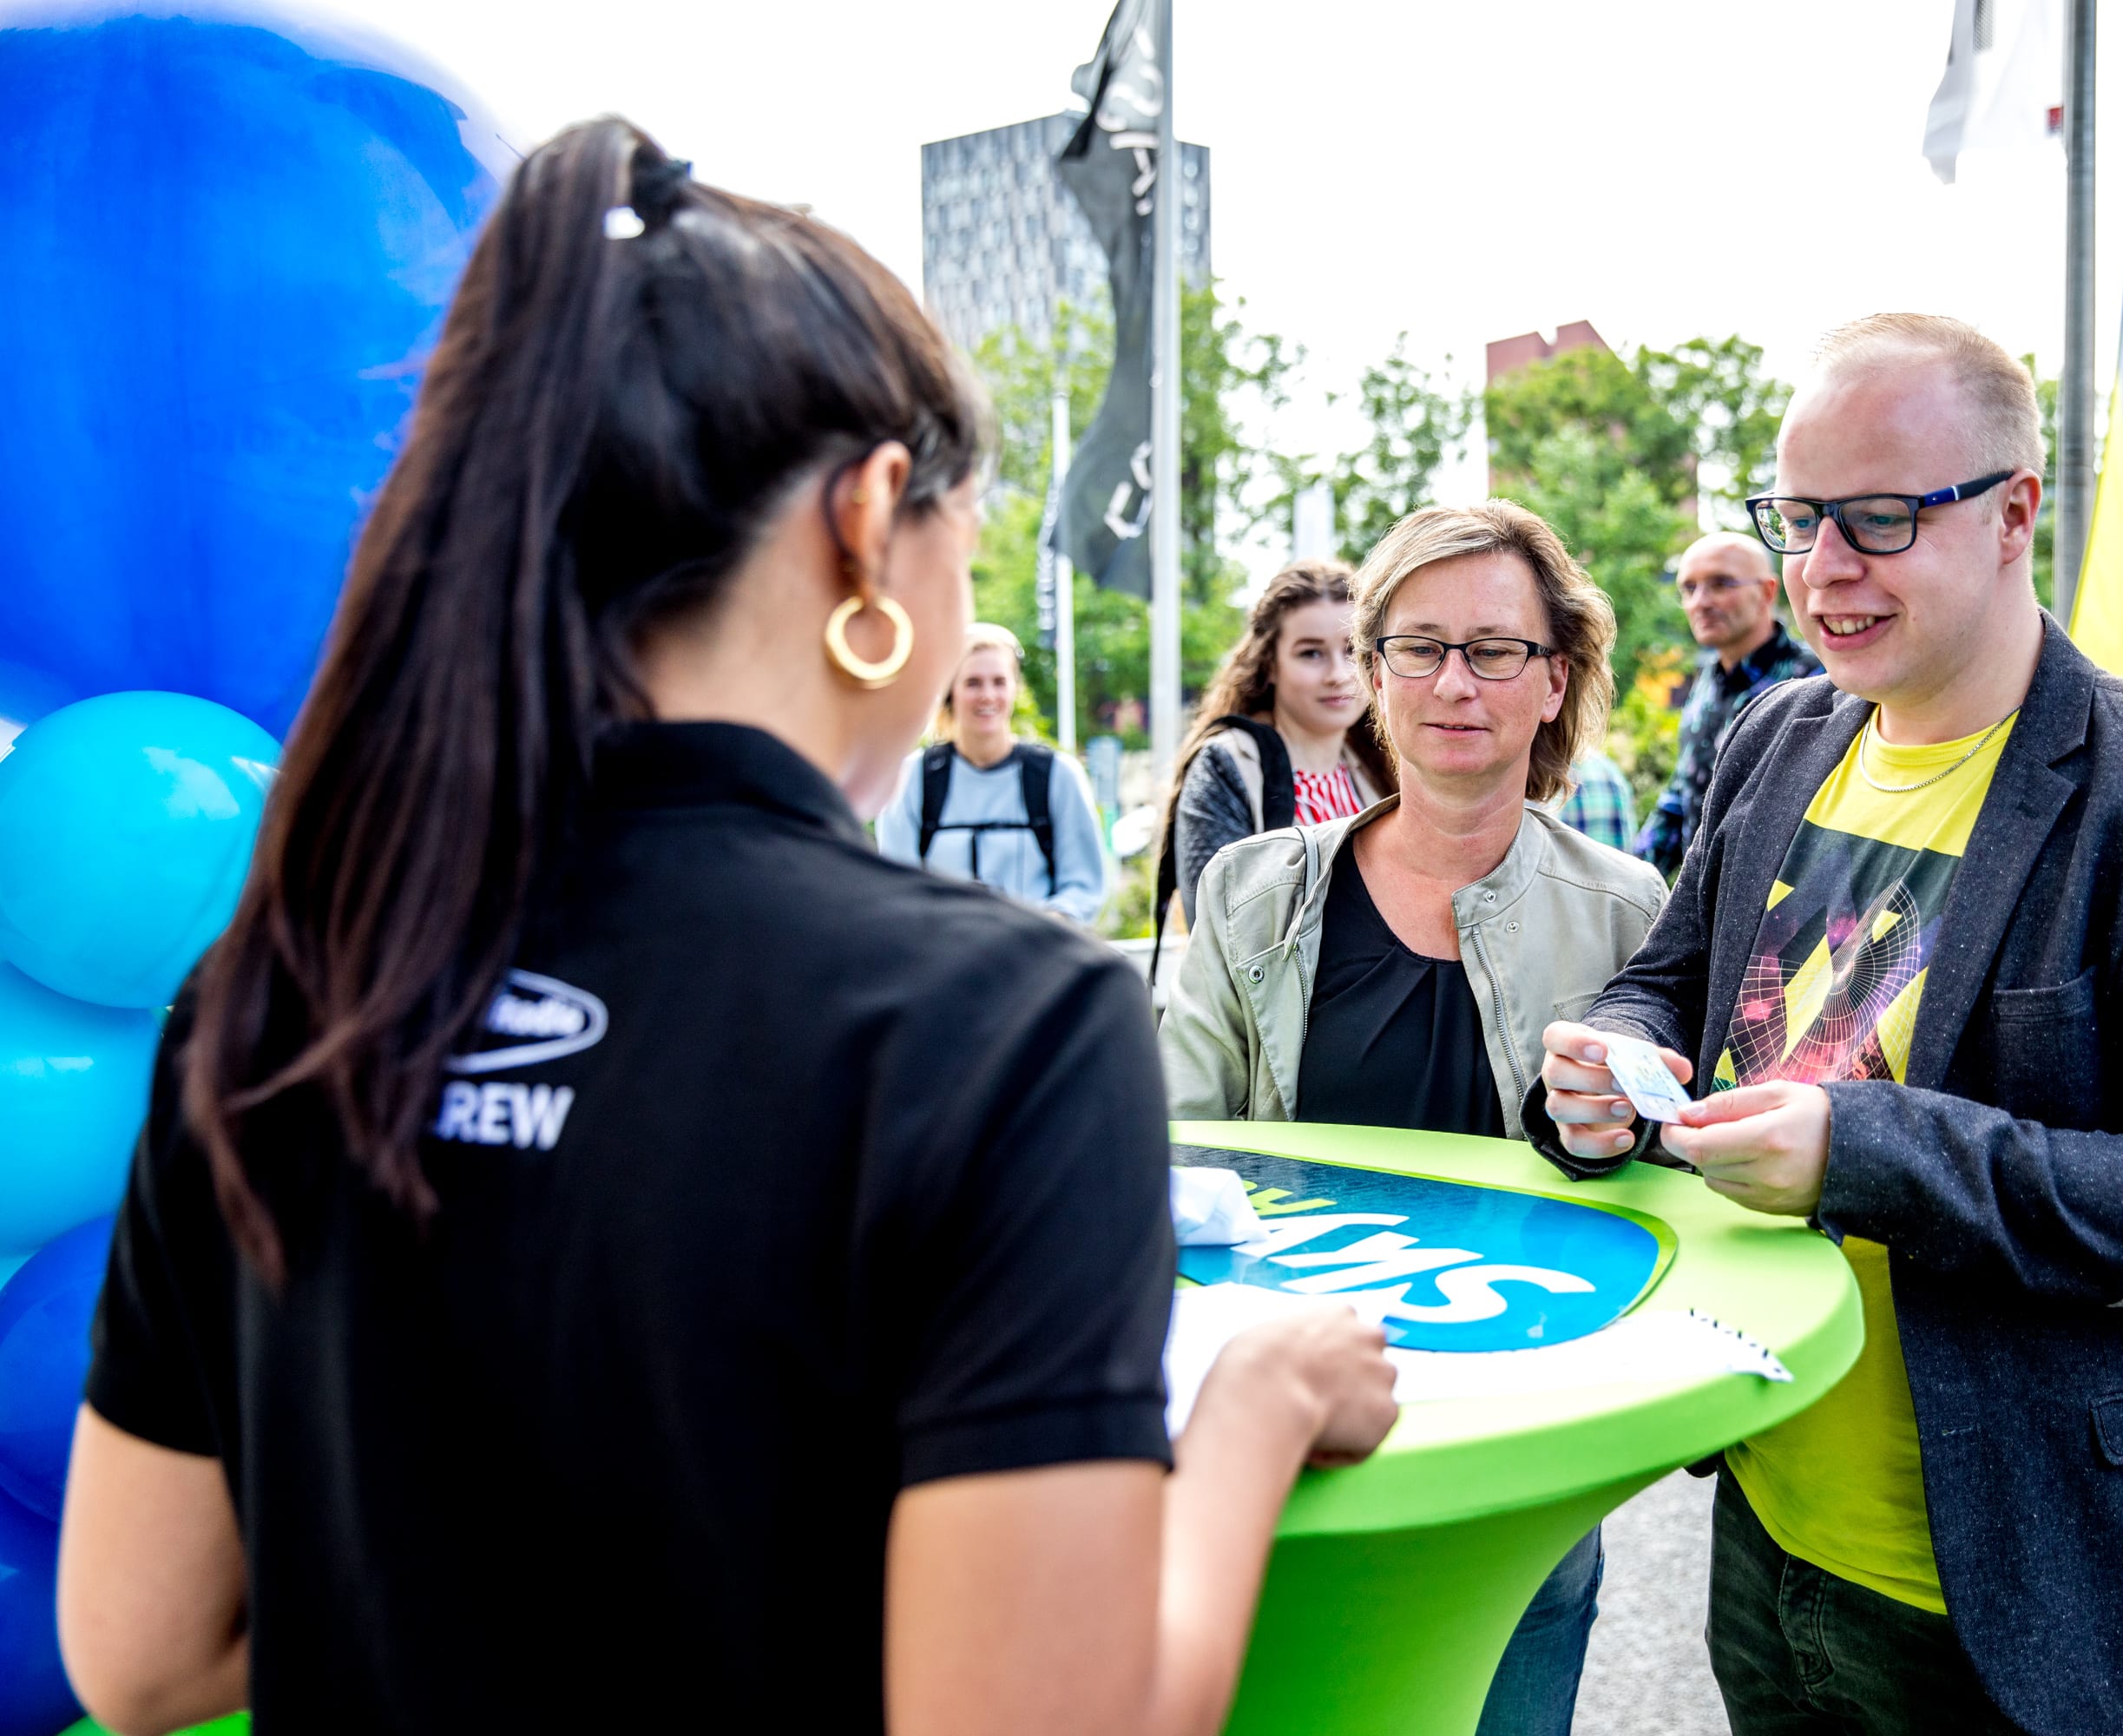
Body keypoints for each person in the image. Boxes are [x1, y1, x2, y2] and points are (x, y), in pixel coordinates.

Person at [55, 121, 1396, 1736]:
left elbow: (140, 1652)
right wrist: (1256, 1407)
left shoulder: (282, 986)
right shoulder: (999, 1025)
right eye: (966, 543)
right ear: (870, 520)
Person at [1531, 313, 2123, 1736]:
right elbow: (1671, 977)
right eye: (1799, 518)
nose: (1824, 567)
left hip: (2037, 1589)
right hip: (1770, 1528)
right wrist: (1608, 1060)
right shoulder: (1775, 736)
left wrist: (1864, 1154)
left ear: (2016, 512)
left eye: (1882, 519)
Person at [1163, 503, 1666, 1736]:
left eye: (1494, 649)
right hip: (1295, 1456)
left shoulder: (1631, 913)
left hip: (1524, 1478)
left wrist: (1630, 1133)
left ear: (1556, 680)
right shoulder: (1251, 893)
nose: (1454, 682)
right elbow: (1168, 1157)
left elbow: (1676, 1189)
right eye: (1419, 646)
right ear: (1376, 670)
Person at [1153, 559, 1393, 934]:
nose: (1338, 674)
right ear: (1270, 663)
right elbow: (1218, 933)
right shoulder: (1229, 765)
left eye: (1351, 650)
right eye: (1311, 653)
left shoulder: (1382, 769)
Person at [876, 621, 1108, 924]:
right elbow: (897, 888)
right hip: (942, 949)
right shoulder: (912, 778)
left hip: (1036, 947)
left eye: (999, 682)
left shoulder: (1058, 775)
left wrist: (1041, 926)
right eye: (973, 683)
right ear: (949, 691)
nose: (987, 695)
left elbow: (1083, 888)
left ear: (1015, 689)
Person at [1631, 529, 1818, 878]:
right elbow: (1682, 794)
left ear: (1767, 592)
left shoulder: (1816, 681)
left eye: (1720, 584)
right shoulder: (1705, 683)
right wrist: (1630, 882)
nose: (1700, 602)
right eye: (1689, 588)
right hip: (1704, 899)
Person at [1556, 746, 1638, 852]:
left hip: (1573, 860)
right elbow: (1629, 832)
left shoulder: (1558, 771)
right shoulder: (1611, 769)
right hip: (1613, 860)